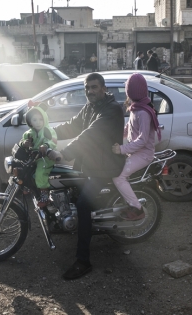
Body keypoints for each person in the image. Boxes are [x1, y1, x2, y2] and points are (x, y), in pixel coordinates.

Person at [47, 73, 125, 280]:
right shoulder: (90, 107)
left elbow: (90, 135)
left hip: (106, 166)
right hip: (91, 164)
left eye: (94, 87)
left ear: (103, 88)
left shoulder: (112, 109)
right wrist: (44, 133)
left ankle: (83, 261)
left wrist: (64, 154)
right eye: (87, 88)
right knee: (64, 185)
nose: (90, 91)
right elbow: (72, 125)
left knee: (82, 205)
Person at [111, 74, 161, 220]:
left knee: (118, 176)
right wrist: (114, 137)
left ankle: (137, 209)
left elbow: (143, 140)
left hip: (143, 154)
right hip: (135, 152)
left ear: (130, 92)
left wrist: (121, 149)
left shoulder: (143, 112)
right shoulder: (136, 108)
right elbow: (129, 128)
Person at [18, 104, 57, 207]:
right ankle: (28, 185)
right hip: (33, 156)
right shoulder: (28, 133)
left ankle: (44, 194)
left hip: (46, 157)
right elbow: (22, 141)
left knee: (40, 172)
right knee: (24, 167)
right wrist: (24, 144)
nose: (38, 122)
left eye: (40, 119)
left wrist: (46, 145)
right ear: (30, 122)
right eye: (35, 120)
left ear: (45, 119)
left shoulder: (48, 130)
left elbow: (53, 141)